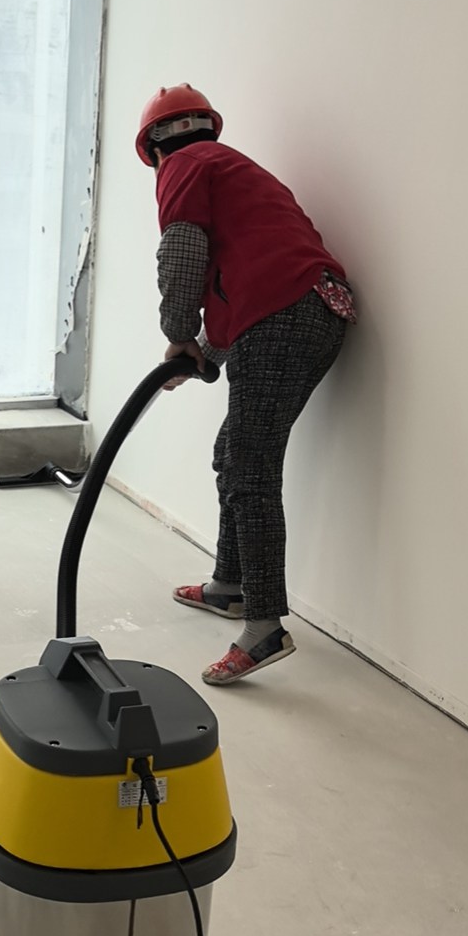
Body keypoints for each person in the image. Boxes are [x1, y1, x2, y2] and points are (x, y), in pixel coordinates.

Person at [137, 84, 356, 685]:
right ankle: (229, 584)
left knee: (249, 467)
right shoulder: (235, 170)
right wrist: (201, 358)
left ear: (153, 149)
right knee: (233, 451)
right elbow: (248, 287)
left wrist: (178, 333)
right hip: (317, 309)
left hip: (283, 315)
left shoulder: (183, 165)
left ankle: (264, 627)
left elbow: (182, 253)